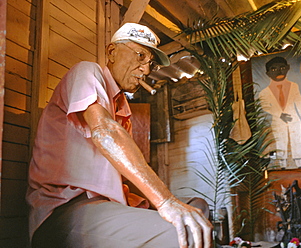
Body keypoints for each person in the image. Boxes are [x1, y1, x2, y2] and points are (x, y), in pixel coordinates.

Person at [26, 22, 212, 248]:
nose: (145, 69)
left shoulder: (122, 107)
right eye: (140, 56)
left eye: (150, 63)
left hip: (107, 207)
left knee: (197, 208)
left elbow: (126, 179)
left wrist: (161, 205)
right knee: (186, 235)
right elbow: (104, 131)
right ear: (112, 52)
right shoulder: (87, 71)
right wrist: (166, 202)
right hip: (65, 210)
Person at [259, 57, 301, 169]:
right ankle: (282, 166)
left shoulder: (294, 86)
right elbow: (265, 107)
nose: (279, 72)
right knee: (280, 143)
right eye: (273, 69)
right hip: (278, 121)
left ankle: (299, 165)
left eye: (282, 68)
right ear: (268, 73)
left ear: (287, 68)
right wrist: (280, 114)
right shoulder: (264, 92)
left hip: (294, 119)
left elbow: (299, 102)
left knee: (296, 140)